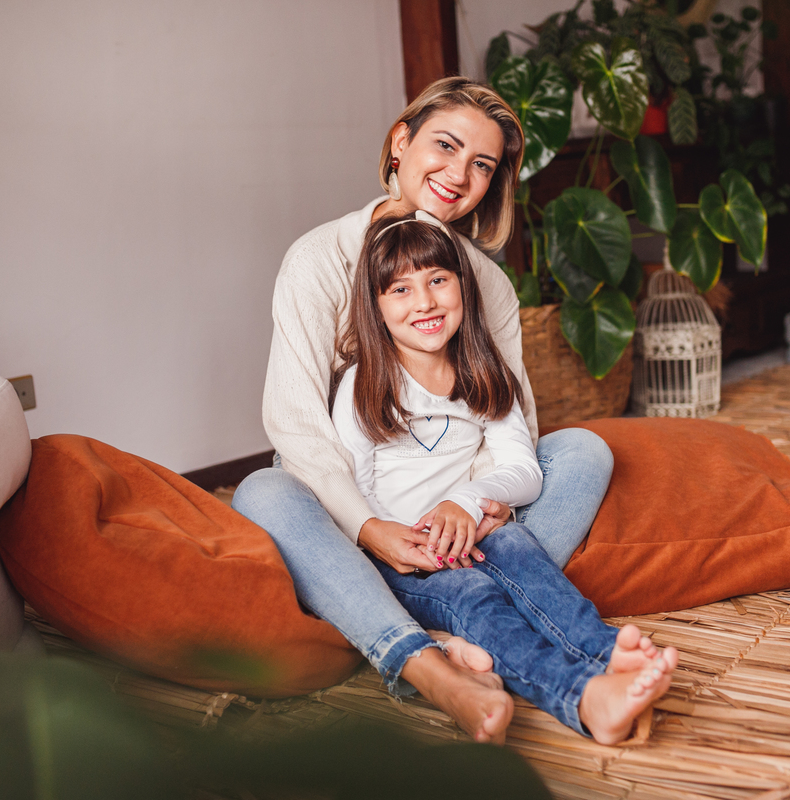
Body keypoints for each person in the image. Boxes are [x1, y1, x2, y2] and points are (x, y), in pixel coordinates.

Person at [231, 77, 631, 743]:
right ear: (399, 143)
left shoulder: (489, 286)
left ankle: (454, 618)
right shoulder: (316, 260)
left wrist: (471, 504)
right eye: (446, 146)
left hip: (462, 508)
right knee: (263, 490)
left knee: (582, 451)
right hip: (351, 494)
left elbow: (509, 426)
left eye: (483, 164)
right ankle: (423, 658)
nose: (459, 174)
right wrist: (368, 528)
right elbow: (299, 427)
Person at [329, 211, 677, 743]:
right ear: (375, 307)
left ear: (462, 288)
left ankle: (606, 653)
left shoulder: (485, 370)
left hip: (474, 534)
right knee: (473, 594)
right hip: (400, 561)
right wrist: (401, 540)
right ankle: (581, 696)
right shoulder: (362, 385)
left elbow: (522, 469)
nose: (423, 302)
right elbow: (349, 491)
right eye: (400, 288)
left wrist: (470, 502)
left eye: (437, 280)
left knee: (518, 545)